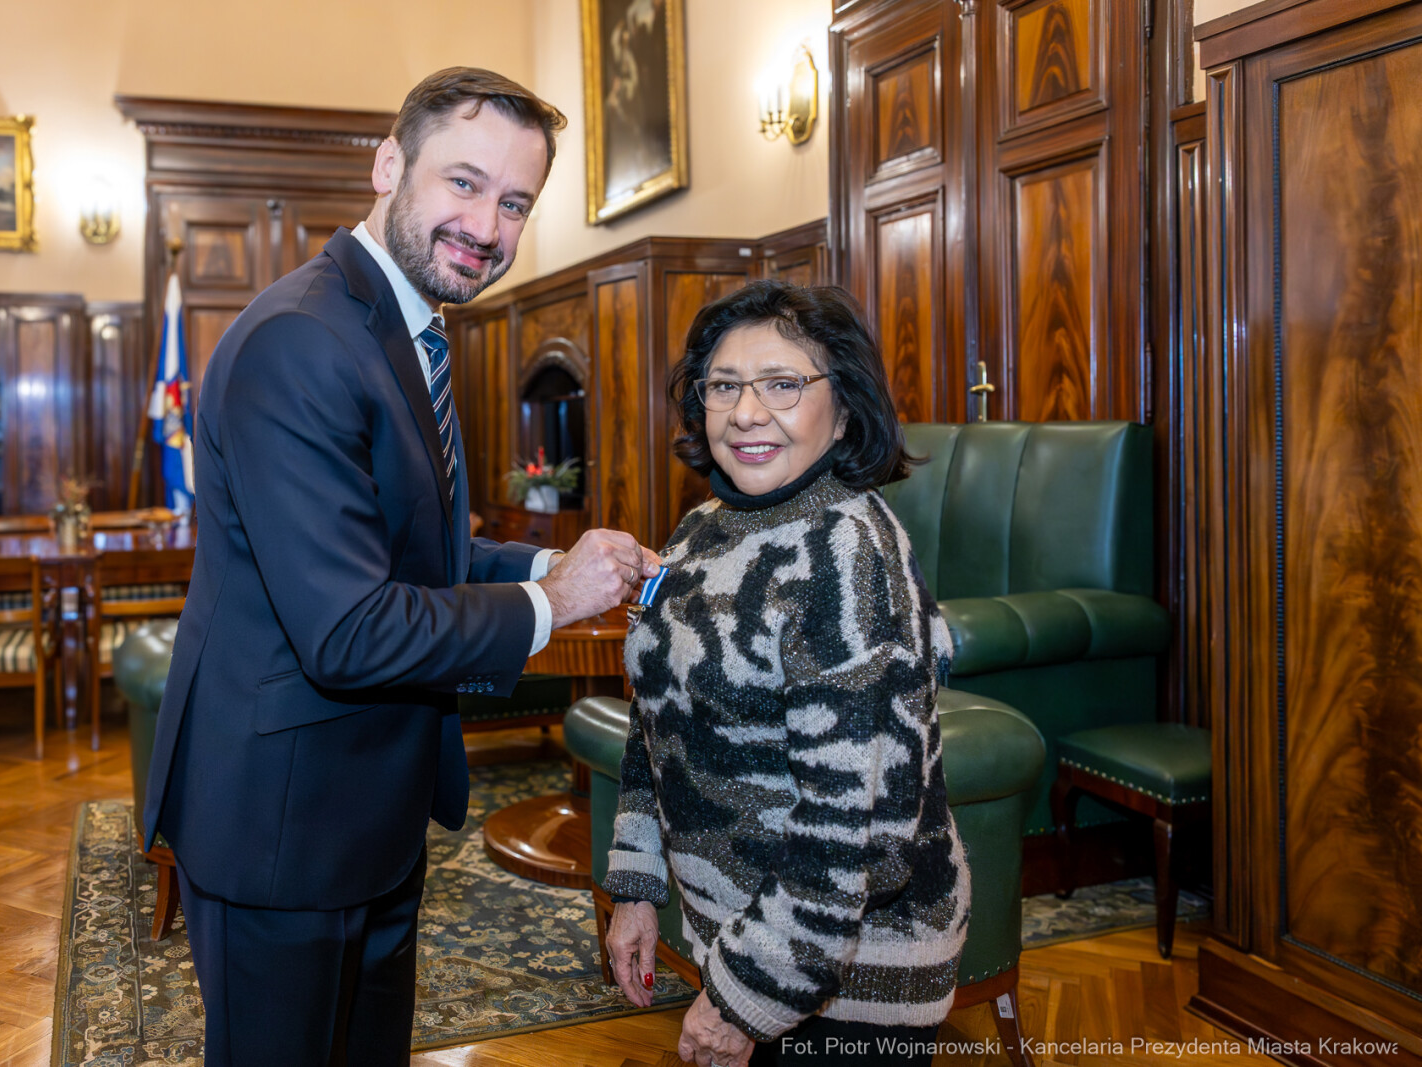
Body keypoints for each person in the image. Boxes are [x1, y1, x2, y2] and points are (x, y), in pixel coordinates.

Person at [141, 67, 659, 1067]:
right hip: (282, 830)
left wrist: (556, 554)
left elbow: (411, 543)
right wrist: (551, 602)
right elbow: (349, 628)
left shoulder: (398, 324)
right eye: (463, 183)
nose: (487, 224)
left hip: (364, 813)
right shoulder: (304, 340)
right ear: (390, 164)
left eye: (515, 202)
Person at [602, 281, 969, 1067]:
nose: (745, 411)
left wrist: (742, 1002)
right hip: (740, 943)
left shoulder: (847, 554)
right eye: (725, 385)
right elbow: (654, 715)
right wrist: (636, 884)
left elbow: (848, 831)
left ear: (843, 409)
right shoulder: (701, 528)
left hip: (849, 983)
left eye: (782, 384)